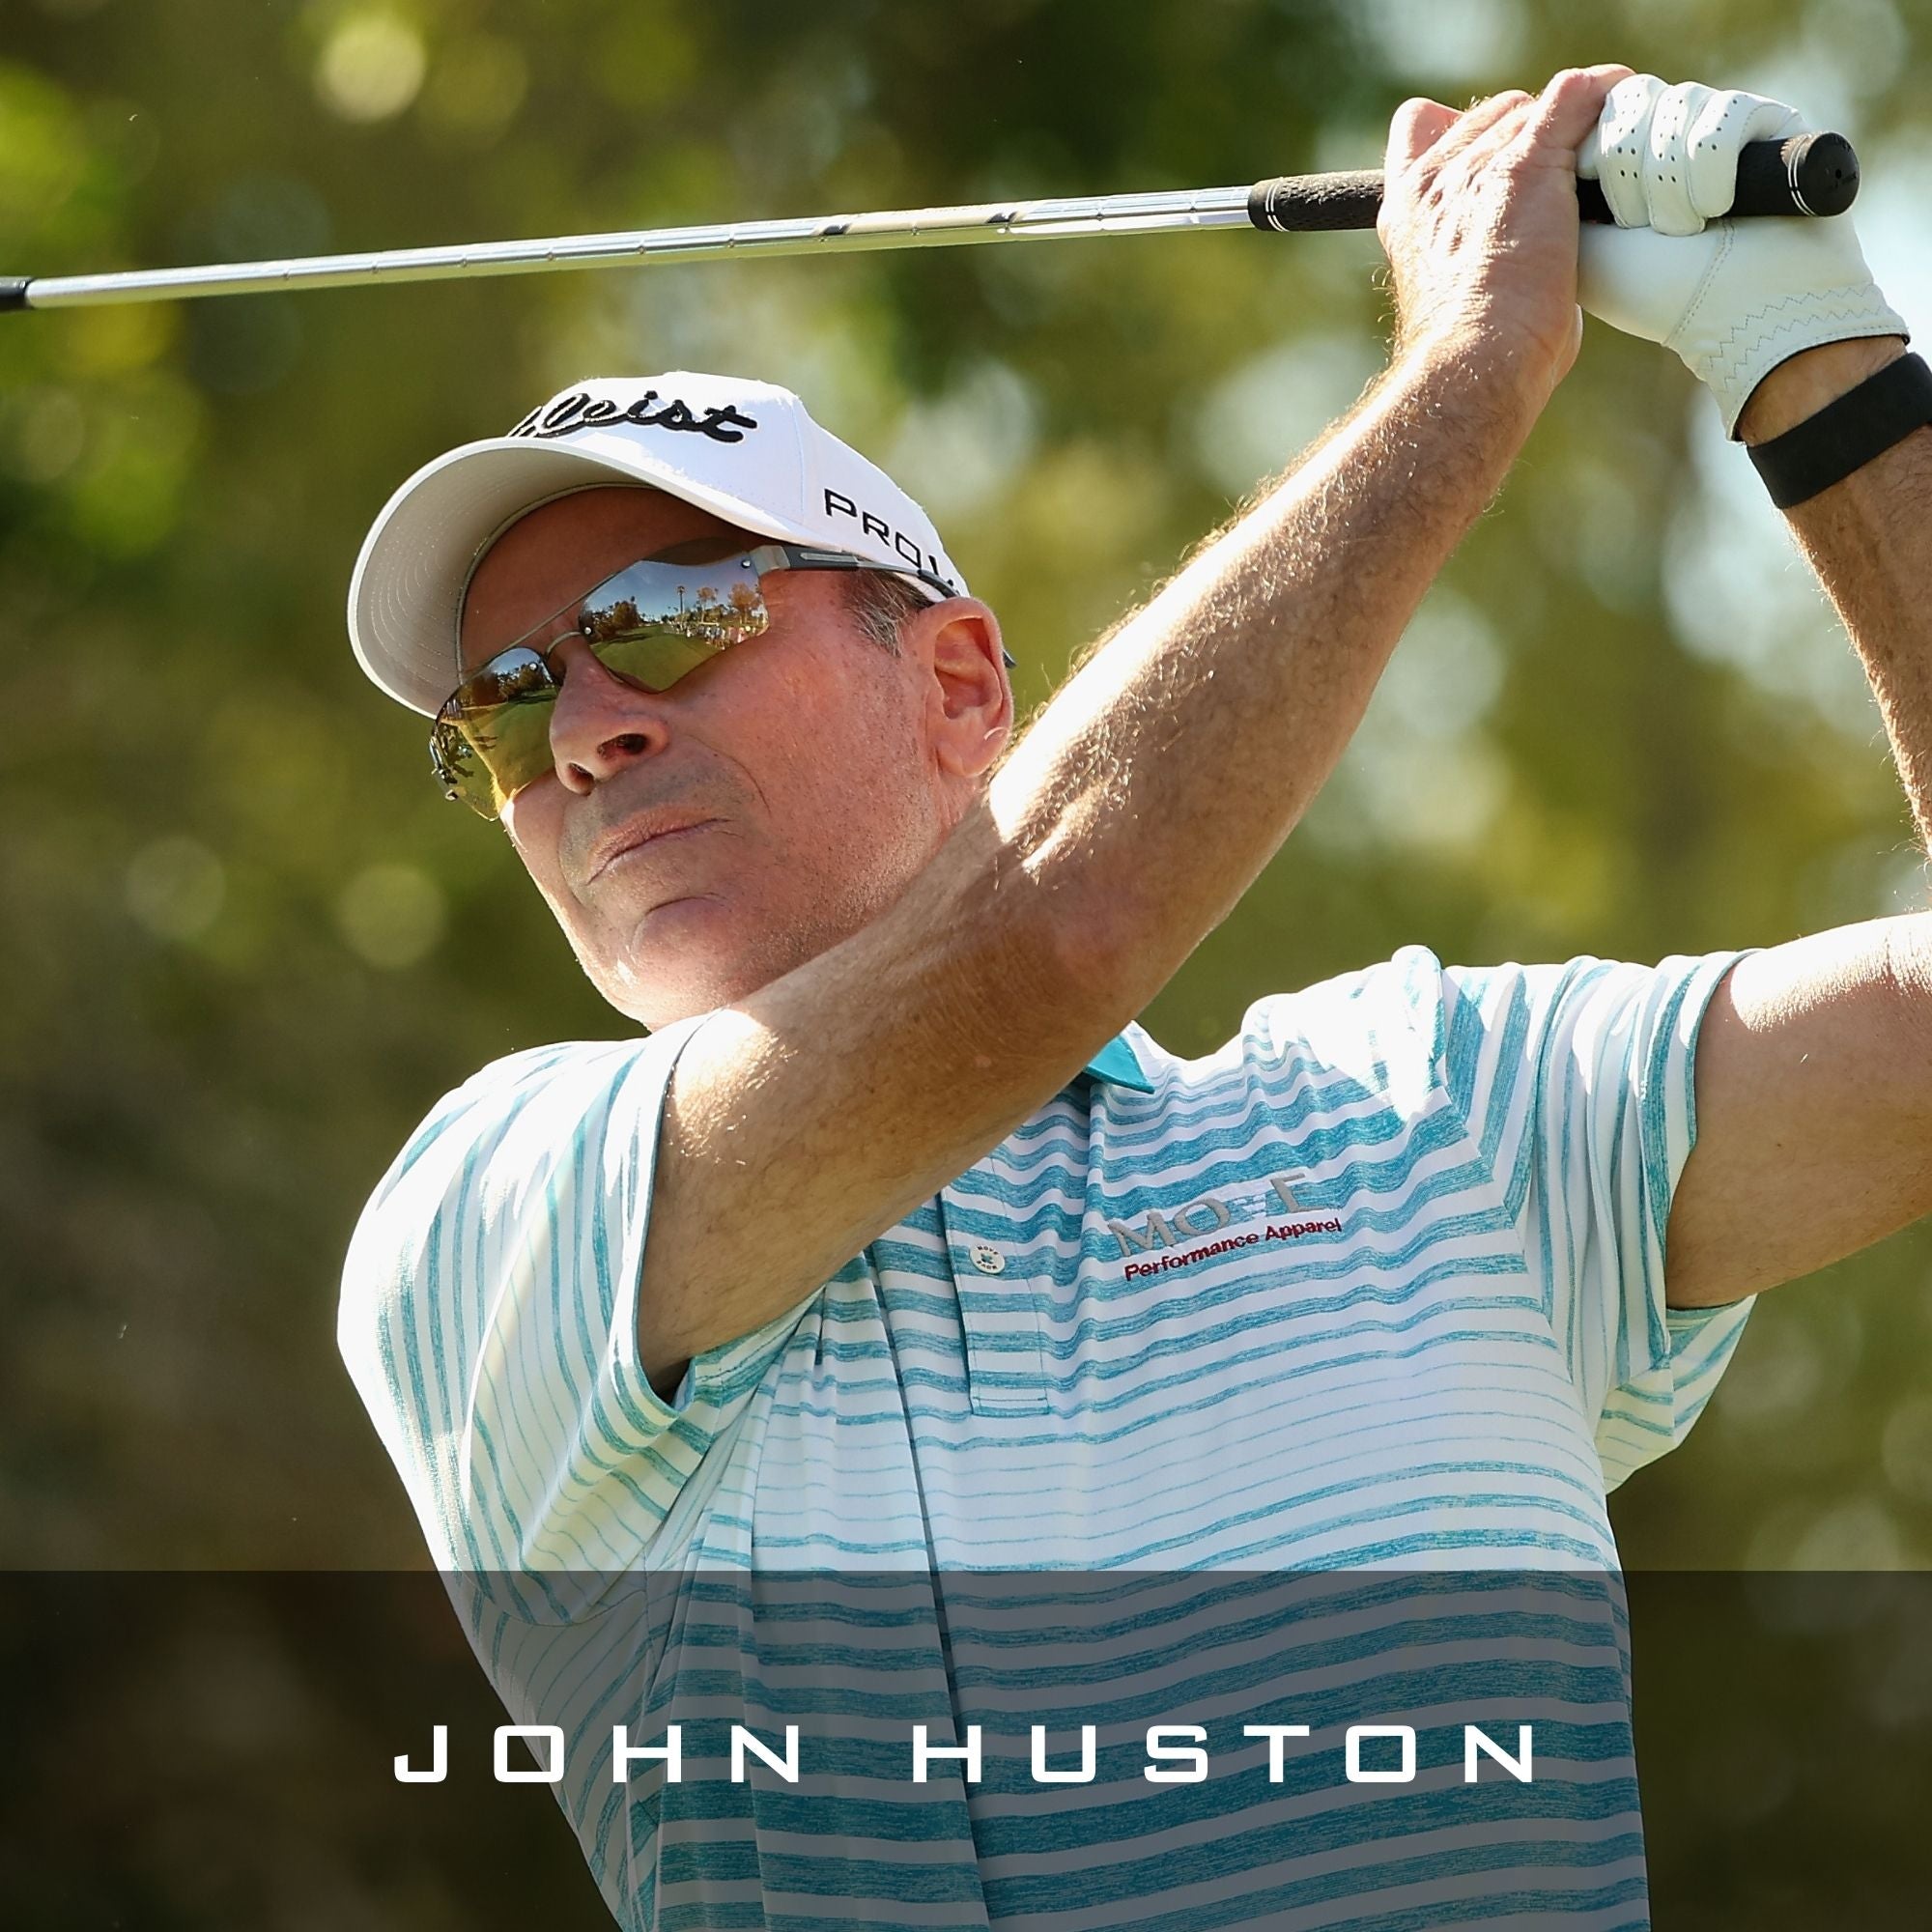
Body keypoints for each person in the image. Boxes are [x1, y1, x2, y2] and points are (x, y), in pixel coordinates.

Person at [337, 68, 1931, 1930]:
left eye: (664, 620)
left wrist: (1811, 360)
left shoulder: (1446, 1112)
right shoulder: (493, 1222)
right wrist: (1467, 368)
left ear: (960, 687)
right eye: (507, 704)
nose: (583, 734)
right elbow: (1057, 930)